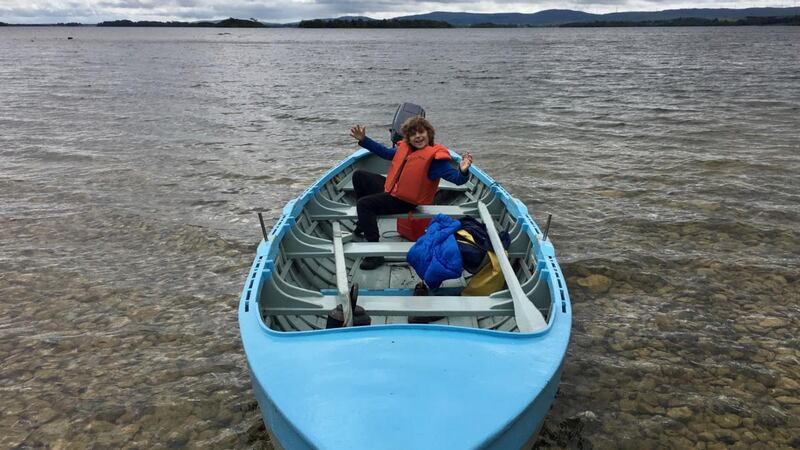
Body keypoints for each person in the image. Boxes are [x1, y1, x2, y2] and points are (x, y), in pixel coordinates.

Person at [348, 116, 474, 270]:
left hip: (405, 200)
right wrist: (364, 139)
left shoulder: (435, 160)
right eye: (413, 134)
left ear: (429, 134)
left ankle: (375, 254)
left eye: (421, 132)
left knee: (364, 205)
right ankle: (363, 224)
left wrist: (462, 170)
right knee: (359, 176)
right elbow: (385, 152)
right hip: (393, 190)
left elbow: (457, 179)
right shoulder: (405, 149)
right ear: (408, 138)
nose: (418, 136)